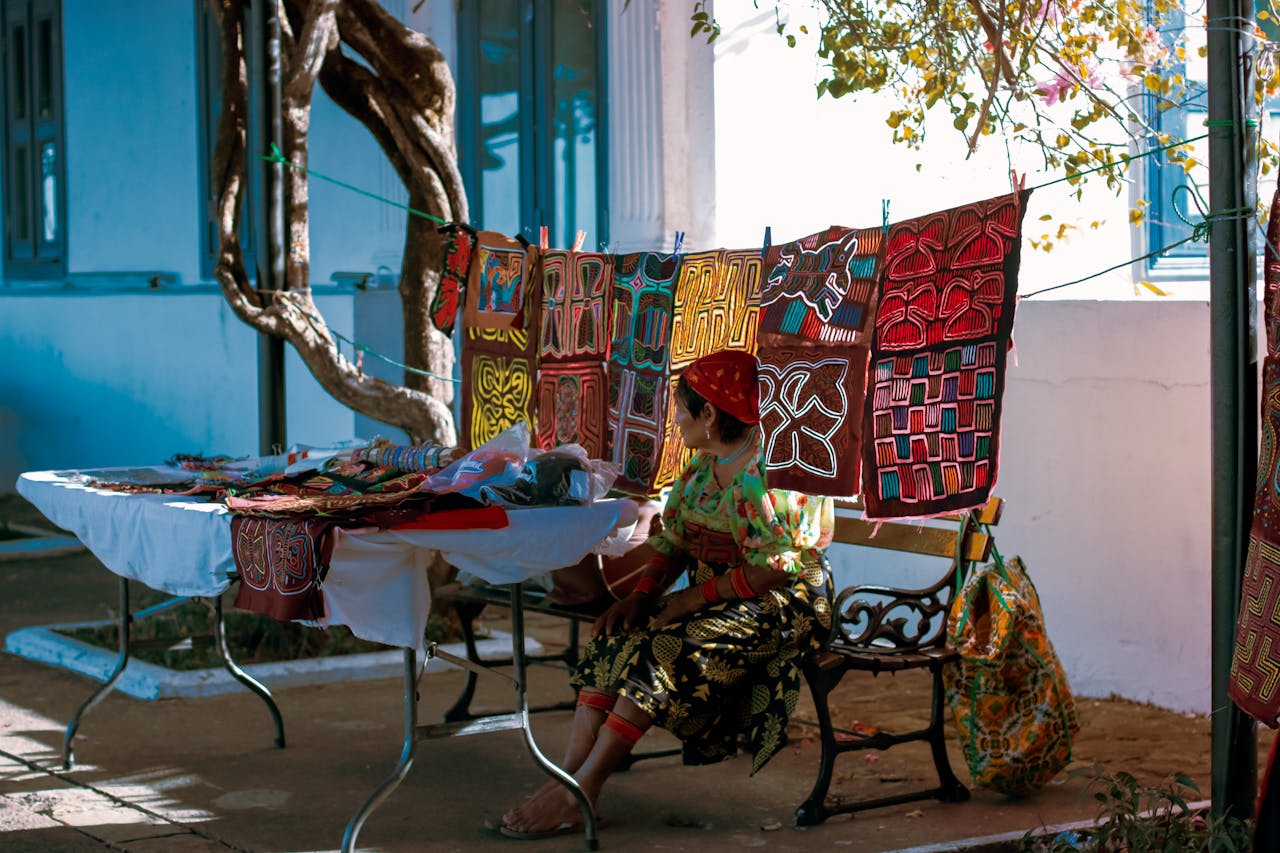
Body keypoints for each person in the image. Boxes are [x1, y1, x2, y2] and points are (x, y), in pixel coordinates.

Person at [500, 349, 834, 840]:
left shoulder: (770, 474)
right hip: (721, 598)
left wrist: (690, 600)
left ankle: (583, 786)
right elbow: (672, 541)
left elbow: (777, 569)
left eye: (681, 409)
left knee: (664, 649)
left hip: (783, 605)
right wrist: (640, 596)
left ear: (709, 415)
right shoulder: (702, 470)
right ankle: (569, 780)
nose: (675, 420)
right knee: (619, 635)